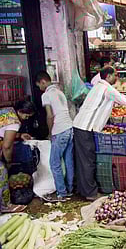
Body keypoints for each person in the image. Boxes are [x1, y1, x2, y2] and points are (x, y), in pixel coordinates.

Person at [73, 67, 126, 200]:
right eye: (115, 75)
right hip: (84, 127)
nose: (117, 77)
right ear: (108, 76)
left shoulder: (100, 87)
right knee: (87, 161)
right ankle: (89, 193)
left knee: (85, 159)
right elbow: (122, 100)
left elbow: (121, 96)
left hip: (82, 126)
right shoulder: (106, 89)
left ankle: (84, 189)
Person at [35, 71, 73, 202]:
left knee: (54, 163)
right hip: (69, 128)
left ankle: (62, 193)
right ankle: (70, 189)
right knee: (68, 161)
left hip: (60, 130)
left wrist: (50, 133)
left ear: (43, 82)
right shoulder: (59, 92)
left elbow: (50, 115)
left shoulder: (46, 95)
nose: (39, 88)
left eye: (39, 85)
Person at [0, 101, 35, 213]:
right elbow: (6, 146)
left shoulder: (8, 110)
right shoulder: (14, 122)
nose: (26, 118)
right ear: (20, 111)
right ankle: (6, 206)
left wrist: (19, 135)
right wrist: (8, 161)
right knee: (2, 173)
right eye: (26, 116)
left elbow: (4, 130)